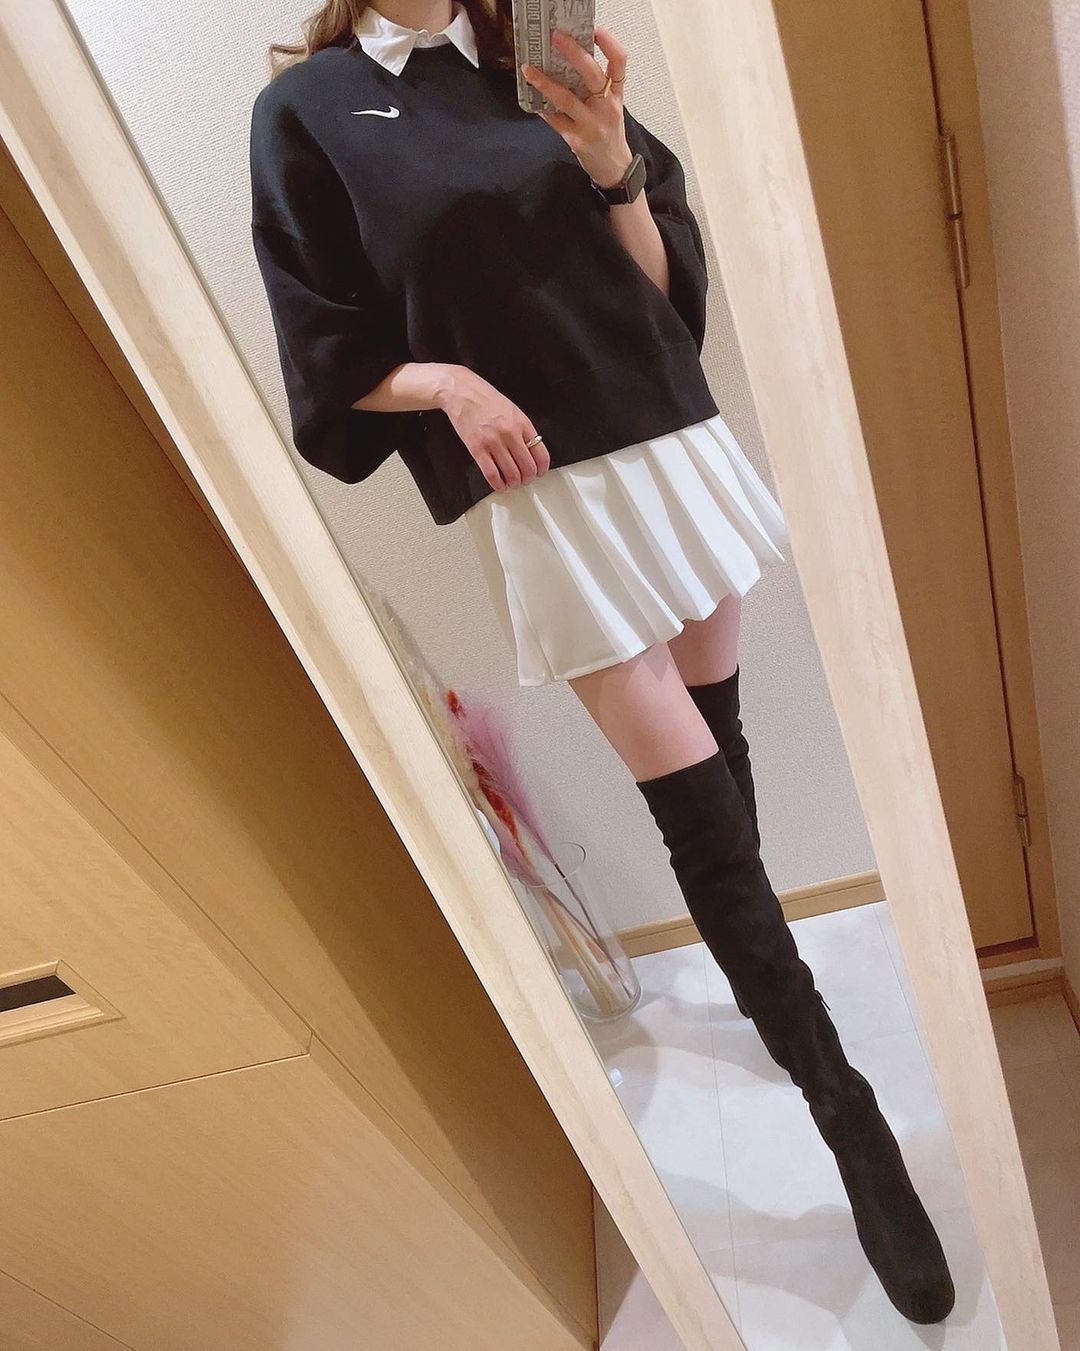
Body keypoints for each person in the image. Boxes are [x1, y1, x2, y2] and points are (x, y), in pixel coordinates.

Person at [249, 0, 955, 1323]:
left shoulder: (537, 50)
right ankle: (848, 1117)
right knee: (697, 812)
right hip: (542, 499)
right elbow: (323, 350)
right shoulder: (311, 111)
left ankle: (772, 1005)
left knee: (720, 747)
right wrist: (447, 386)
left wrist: (613, 158)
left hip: (669, 442)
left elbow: (670, 297)